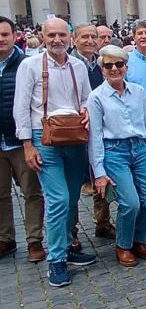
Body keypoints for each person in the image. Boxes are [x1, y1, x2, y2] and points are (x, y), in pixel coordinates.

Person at [13, 17, 96, 287]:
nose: (57, 40)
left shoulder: (78, 66)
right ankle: (56, 259)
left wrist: (86, 111)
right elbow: (21, 107)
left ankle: (68, 246)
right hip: (43, 138)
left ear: (69, 37)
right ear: (43, 36)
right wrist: (27, 144)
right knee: (58, 199)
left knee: (72, 197)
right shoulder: (30, 65)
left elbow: (86, 98)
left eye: (62, 35)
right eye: (52, 35)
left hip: (73, 136)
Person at [88, 46, 146, 267]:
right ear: (102, 70)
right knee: (130, 202)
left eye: (119, 64)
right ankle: (124, 245)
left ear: (126, 67)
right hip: (114, 151)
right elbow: (95, 137)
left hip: (139, 149)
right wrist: (99, 172)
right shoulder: (96, 97)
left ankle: (139, 240)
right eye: (108, 65)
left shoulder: (138, 91)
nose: (114, 69)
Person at [0, 16, 45, 262]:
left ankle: (34, 240)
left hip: (20, 140)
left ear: (14, 35)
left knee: (31, 192)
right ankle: (5, 238)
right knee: (0, 194)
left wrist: (29, 139)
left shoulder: (27, 64)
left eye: (4, 34)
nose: (0, 39)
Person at [70, 24, 115, 240]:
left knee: (100, 174)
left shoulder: (101, 64)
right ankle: (72, 232)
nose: (89, 40)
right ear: (74, 39)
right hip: (72, 130)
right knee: (73, 184)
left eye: (93, 37)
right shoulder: (69, 63)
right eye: (84, 37)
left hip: (99, 128)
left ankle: (103, 222)